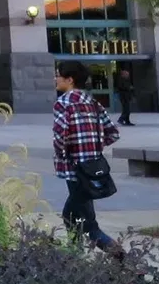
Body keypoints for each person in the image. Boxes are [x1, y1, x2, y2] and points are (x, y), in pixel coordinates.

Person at [52, 60, 124, 260]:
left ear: (70, 79)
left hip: (74, 169)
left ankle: (119, 255)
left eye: (58, 75)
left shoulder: (64, 103)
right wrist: (94, 147)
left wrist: (63, 155)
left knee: (77, 218)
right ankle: (75, 259)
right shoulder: (93, 102)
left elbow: (60, 137)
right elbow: (113, 132)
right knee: (79, 218)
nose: (55, 79)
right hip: (93, 168)